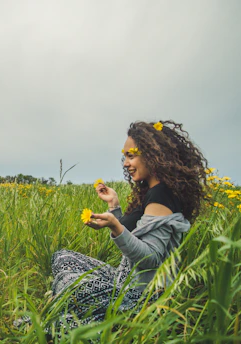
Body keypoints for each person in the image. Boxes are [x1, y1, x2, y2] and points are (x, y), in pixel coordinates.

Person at [16, 120, 208, 332]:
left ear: (153, 156)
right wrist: (114, 207)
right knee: (62, 257)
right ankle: (66, 309)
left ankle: (53, 321)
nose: (125, 163)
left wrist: (115, 226)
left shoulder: (161, 196)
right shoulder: (152, 191)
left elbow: (150, 257)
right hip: (124, 279)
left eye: (131, 156)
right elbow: (138, 233)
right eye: (125, 156)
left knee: (72, 283)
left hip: (141, 298)